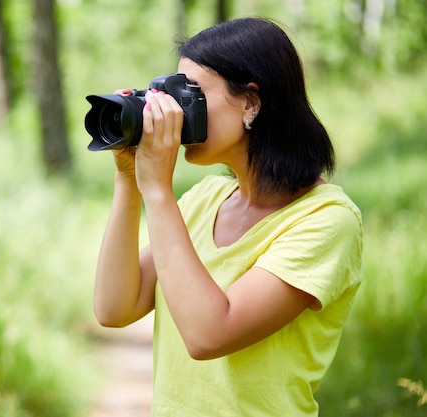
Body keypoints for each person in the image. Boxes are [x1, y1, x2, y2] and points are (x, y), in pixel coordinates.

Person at [92, 17, 363, 416]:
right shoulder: (206, 199)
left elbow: (208, 335)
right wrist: (129, 178)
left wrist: (159, 191)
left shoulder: (326, 221)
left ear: (251, 102)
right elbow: (114, 308)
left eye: (192, 93)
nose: (177, 111)